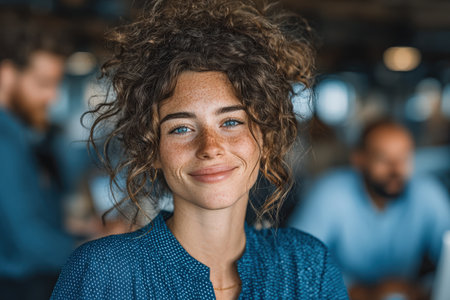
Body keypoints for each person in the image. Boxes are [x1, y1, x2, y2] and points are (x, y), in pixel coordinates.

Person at [50, 0, 348, 299]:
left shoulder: (307, 266)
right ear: (151, 149)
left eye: (231, 122)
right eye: (181, 128)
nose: (210, 147)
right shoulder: (104, 272)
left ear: (266, 138)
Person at [289, 120, 450, 299]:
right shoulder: (330, 192)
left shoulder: (427, 192)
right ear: (359, 159)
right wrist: (358, 292)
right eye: (383, 158)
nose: (396, 169)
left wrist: (423, 289)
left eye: (404, 158)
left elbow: (448, 257)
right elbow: (296, 260)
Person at [0, 9, 75, 300]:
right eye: (44, 83)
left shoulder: (18, 136)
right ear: (6, 75)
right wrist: (99, 248)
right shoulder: (3, 141)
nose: (52, 96)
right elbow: (29, 243)